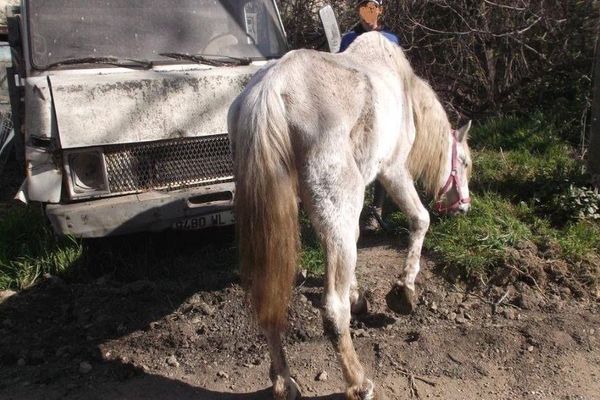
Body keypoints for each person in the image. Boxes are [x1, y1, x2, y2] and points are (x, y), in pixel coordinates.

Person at [339, 0, 400, 231]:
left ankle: (376, 210)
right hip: (355, 108)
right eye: (365, 7)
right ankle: (353, 214)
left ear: (380, 10)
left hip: (382, 108)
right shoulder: (348, 39)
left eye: (373, 7)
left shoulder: (391, 40)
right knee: (355, 160)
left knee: (382, 158)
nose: (369, 12)